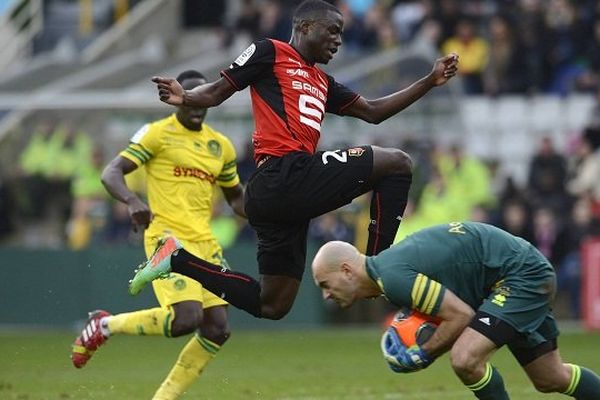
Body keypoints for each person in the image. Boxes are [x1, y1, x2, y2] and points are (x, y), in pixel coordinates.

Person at [129, 0, 459, 320]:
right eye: (332, 30)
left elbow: (373, 112)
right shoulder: (269, 51)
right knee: (397, 162)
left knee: (272, 305)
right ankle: (376, 268)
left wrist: (429, 81)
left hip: (284, 198)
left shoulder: (323, 82)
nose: (338, 40)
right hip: (281, 173)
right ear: (303, 26)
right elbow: (216, 92)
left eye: (341, 34)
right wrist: (185, 96)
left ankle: (176, 259)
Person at [70, 70, 245, 400]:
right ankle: (104, 326)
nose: (196, 102)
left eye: (202, 94)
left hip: (205, 242)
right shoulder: (157, 134)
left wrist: (273, 214)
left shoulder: (220, 145)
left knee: (217, 328)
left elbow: (236, 197)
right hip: (168, 240)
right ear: (176, 97)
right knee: (185, 319)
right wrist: (133, 200)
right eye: (189, 94)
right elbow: (111, 172)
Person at [311, 222, 600, 400]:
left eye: (325, 284)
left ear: (347, 270)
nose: (326, 295)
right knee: (551, 378)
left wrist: (423, 354)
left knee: (465, 359)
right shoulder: (388, 274)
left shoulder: (393, 278)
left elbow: (460, 316)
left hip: (518, 277)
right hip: (508, 279)